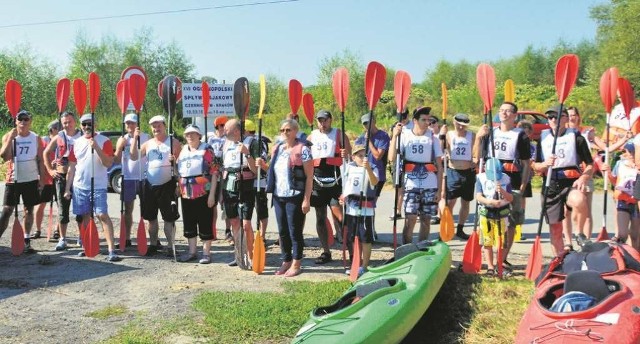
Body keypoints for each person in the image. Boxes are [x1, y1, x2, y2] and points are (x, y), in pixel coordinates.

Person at [475, 101, 531, 273]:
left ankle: (502, 258)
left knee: (510, 222)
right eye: (501, 111)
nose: (504, 114)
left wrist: (522, 186)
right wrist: (478, 137)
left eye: (508, 111)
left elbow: (526, 163)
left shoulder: (520, 135)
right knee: (489, 220)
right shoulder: (489, 133)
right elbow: (477, 157)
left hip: (511, 180)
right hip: (490, 181)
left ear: (514, 115)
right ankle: (491, 262)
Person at [533, 106, 593, 256]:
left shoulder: (576, 138)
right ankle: (559, 260)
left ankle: (579, 234)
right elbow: (535, 165)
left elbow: (590, 164)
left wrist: (584, 177)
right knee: (555, 229)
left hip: (571, 181)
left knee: (579, 200)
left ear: (566, 119)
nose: (554, 120)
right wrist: (544, 164)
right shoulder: (543, 138)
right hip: (551, 184)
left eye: (558, 116)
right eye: (550, 117)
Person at [63, 114, 121, 261]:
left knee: (102, 215)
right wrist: (67, 188)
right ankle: (88, 246)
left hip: (99, 186)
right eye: (84, 124)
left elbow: (108, 163)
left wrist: (96, 148)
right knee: (85, 217)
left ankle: (111, 250)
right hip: (80, 186)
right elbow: (71, 167)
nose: (87, 127)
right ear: (81, 126)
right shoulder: (76, 143)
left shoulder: (104, 141)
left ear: (95, 124)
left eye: (90, 124)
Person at [264, 119, 313, 277]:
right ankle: (286, 260)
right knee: (282, 231)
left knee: (294, 231)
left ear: (295, 131)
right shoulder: (278, 149)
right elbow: (272, 170)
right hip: (279, 195)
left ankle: (296, 262)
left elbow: (309, 177)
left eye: (288, 130)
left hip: (295, 195)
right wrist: (259, 164)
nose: (285, 133)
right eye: (282, 130)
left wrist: (306, 199)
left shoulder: (303, 149)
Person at [388, 106, 443, 244]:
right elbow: (391, 158)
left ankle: (422, 248)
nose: (427, 123)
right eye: (423, 120)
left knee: (425, 219)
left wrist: (440, 190)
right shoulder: (404, 135)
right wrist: (395, 136)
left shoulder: (433, 138)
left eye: (429, 120)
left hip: (430, 185)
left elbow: (440, 167)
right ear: (415, 121)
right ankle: (406, 249)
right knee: (410, 219)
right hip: (411, 184)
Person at [130, 115, 182, 257]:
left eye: (159, 125)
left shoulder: (173, 142)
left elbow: (181, 164)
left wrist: (175, 163)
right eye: (153, 126)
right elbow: (133, 156)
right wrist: (135, 138)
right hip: (150, 185)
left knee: (168, 219)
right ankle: (153, 244)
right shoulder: (147, 143)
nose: (156, 128)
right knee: (151, 218)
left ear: (164, 126)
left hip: (167, 185)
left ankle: (171, 245)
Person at [307, 109, 351, 264]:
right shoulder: (312, 136)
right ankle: (326, 252)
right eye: (320, 120)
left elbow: (350, 158)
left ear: (330, 120)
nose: (322, 123)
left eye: (325, 120)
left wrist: (346, 154)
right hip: (318, 182)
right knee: (320, 217)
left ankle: (350, 250)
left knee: (339, 216)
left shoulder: (339, 134)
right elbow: (305, 156)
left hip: (335, 181)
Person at [0, 110, 45, 253]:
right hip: (13, 180)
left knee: (29, 210)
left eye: (26, 119)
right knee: (7, 210)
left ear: (30, 121)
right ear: (16, 121)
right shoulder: (9, 136)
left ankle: (26, 240)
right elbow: (4, 157)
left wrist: (41, 179)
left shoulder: (36, 138)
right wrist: (10, 140)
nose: (23, 122)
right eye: (20, 119)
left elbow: (40, 159)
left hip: (31, 179)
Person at [176, 124, 218, 264]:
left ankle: (206, 253)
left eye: (193, 133)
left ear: (199, 135)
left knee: (205, 221)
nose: (190, 136)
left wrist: (212, 194)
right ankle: (192, 252)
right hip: (186, 193)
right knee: (189, 222)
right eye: (187, 134)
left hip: (203, 192)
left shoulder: (206, 149)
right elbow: (179, 172)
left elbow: (214, 172)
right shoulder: (183, 150)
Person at [220, 119, 257, 268]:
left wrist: (247, 154)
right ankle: (239, 255)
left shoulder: (252, 143)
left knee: (246, 224)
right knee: (234, 221)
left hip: (245, 185)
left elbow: (256, 170)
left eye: (226, 129)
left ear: (236, 130)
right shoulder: (226, 144)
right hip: (229, 185)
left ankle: (251, 255)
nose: (223, 132)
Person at [43, 111, 82, 250]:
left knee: (81, 210)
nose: (67, 125)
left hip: (79, 177)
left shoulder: (82, 135)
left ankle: (81, 237)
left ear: (74, 121)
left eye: (69, 121)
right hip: (61, 177)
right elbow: (46, 152)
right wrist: (50, 171)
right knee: (63, 210)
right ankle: (62, 238)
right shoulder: (59, 136)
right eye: (64, 122)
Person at [340, 144, 379, 277]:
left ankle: (365, 266)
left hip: (366, 209)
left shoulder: (372, 167)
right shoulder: (348, 167)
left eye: (364, 155)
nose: (362, 158)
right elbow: (346, 185)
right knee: (353, 236)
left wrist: (367, 168)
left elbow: (374, 182)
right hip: (352, 208)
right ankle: (355, 263)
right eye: (359, 156)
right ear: (354, 157)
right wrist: (343, 197)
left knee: (365, 238)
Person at [114, 113, 150, 248]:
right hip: (127, 178)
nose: (130, 125)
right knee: (127, 209)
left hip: (144, 177)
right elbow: (116, 160)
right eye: (127, 123)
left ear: (137, 124)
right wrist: (119, 147)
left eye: (132, 123)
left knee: (147, 209)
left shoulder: (146, 137)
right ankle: (127, 237)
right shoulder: (122, 139)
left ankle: (150, 238)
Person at [475, 158, 513, 276]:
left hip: (502, 215)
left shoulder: (505, 179)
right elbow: (478, 197)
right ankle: (490, 267)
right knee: (487, 242)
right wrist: (490, 202)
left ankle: (499, 265)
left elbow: (511, 198)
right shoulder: (481, 178)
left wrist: (502, 190)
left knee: (502, 242)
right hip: (486, 213)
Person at [443, 113, 476, 240]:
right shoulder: (449, 135)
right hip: (453, 171)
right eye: (458, 125)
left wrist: (475, 158)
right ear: (454, 122)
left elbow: (476, 151)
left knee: (466, 202)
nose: (461, 127)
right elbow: (443, 148)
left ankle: (460, 229)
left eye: (463, 125)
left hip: (468, 172)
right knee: (450, 202)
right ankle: (448, 227)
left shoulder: (471, 136)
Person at [602, 142, 639, 250]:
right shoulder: (620, 164)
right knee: (622, 234)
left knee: (636, 236)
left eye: (634, 151)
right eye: (629, 151)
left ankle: (636, 260)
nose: (631, 154)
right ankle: (622, 257)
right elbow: (614, 182)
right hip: (623, 201)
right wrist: (608, 173)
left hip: (636, 203)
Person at [243, 119, 270, 243]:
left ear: (246, 131)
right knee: (247, 210)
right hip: (246, 181)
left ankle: (262, 236)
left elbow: (262, 161)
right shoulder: (242, 142)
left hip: (259, 181)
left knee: (261, 209)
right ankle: (250, 236)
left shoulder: (258, 142)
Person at [33, 120, 61, 239]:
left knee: (60, 205)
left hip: (59, 176)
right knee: (40, 204)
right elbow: (38, 158)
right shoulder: (43, 141)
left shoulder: (62, 140)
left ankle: (57, 230)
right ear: (53, 130)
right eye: (59, 128)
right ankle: (37, 230)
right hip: (45, 178)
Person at [208, 115, 230, 242]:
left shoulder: (228, 140)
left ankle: (228, 231)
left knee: (226, 202)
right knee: (213, 203)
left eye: (225, 126)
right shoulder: (210, 139)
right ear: (217, 127)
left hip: (225, 173)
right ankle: (212, 230)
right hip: (213, 174)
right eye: (222, 126)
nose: (224, 128)